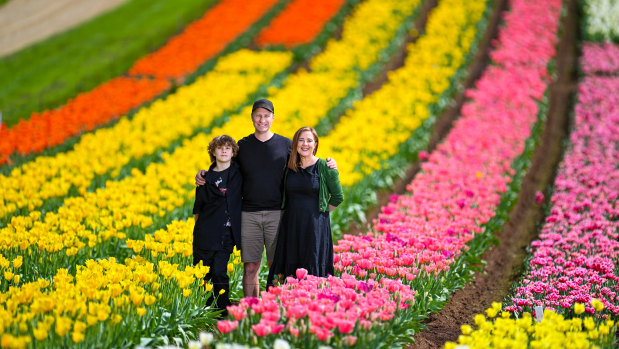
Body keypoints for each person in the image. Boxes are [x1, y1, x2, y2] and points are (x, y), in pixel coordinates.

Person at [195, 98, 337, 298]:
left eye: (266, 116)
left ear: (272, 118)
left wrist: (328, 163)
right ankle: (251, 310)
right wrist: (205, 174)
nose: (262, 120)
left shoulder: (286, 145)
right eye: (258, 115)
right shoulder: (242, 146)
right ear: (252, 118)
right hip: (249, 214)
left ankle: (274, 306)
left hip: (278, 214)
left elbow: (306, 164)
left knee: (276, 265)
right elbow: (224, 166)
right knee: (251, 266)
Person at [267, 127, 343, 287]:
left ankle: (313, 300)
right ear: (295, 144)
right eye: (301, 140)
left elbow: (338, 197)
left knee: (311, 261)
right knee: (287, 261)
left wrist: (319, 213)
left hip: (315, 227)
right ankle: (282, 299)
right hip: (291, 225)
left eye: (309, 140)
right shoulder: (289, 167)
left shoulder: (325, 167)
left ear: (315, 144)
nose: (305, 144)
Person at [193, 135, 242, 316]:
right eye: (220, 148)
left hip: (227, 233)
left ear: (233, 152)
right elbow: (198, 207)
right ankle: (203, 309)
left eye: (228, 148)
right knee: (203, 273)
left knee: (220, 271)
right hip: (206, 233)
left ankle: (222, 309)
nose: (223, 151)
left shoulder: (239, 174)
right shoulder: (206, 179)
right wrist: (197, 233)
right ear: (213, 152)